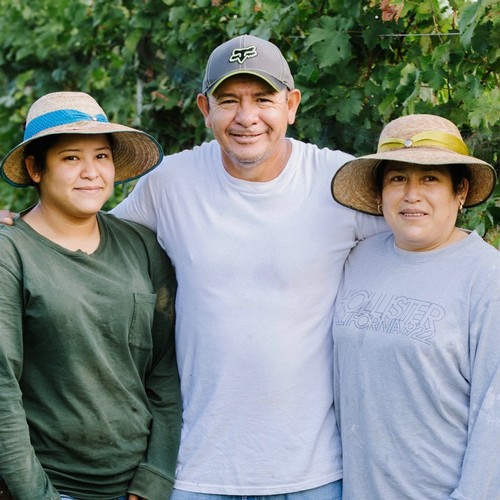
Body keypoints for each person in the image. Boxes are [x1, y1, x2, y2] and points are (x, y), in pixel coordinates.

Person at [0, 36, 388, 498]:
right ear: (205, 108)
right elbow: (78, 230)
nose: (247, 118)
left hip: (314, 472)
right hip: (196, 471)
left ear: (292, 104)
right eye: (229, 101)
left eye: (263, 100)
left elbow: (415, 235)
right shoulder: (170, 185)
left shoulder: (339, 183)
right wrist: (15, 225)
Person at [0, 92, 182, 499]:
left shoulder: (141, 246)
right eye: (70, 158)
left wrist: (154, 480)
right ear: (35, 168)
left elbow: (164, 370)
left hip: (134, 486)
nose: (91, 172)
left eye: (101, 156)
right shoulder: (12, 253)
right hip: (53, 486)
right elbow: (2, 390)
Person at [330, 114, 500, 499]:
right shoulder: (358, 259)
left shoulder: (487, 277)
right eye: (397, 178)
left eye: (430, 178)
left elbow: (495, 418)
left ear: (460, 191)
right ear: (379, 193)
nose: (412, 194)